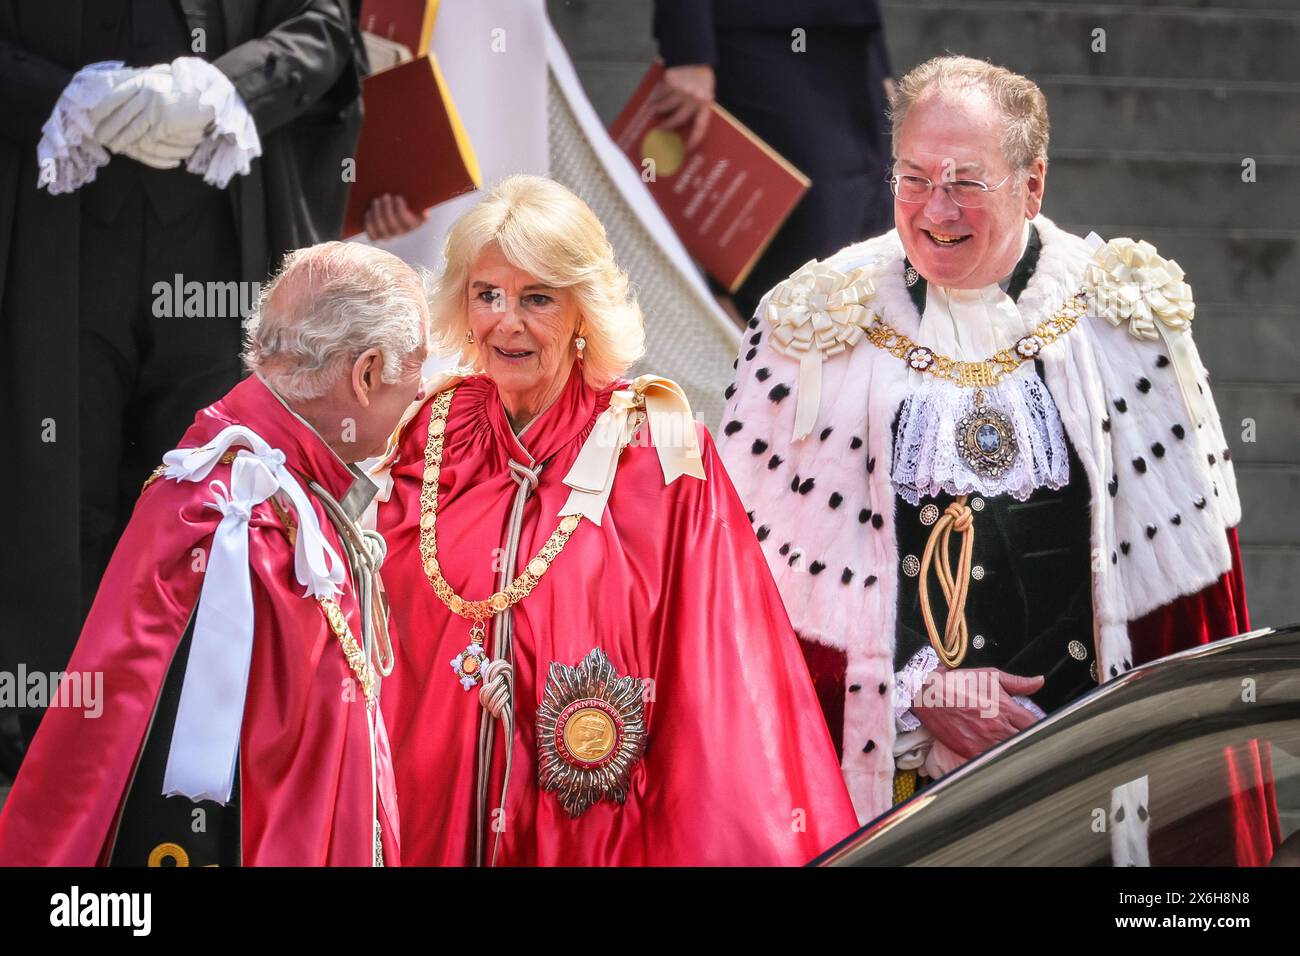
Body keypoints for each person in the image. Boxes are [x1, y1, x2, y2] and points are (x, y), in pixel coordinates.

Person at [718, 55, 1275, 864]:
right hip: (899, 810)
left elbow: (1193, 615)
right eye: (913, 178)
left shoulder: (1128, 318)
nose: (936, 209)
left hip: (1090, 801)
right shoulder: (810, 326)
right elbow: (752, 614)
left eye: (966, 182)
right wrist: (915, 694)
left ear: (1032, 183)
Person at [374, 174, 857, 866]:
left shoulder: (662, 452)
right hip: (430, 822)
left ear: (583, 316)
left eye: (536, 299)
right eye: (488, 295)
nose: (505, 322)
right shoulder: (420, 433)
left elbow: (719, 680)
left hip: (600, 834)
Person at [0, 1, 369, 761]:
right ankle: (53, 771)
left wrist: (229, 88)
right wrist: (59, 97)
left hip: (223, 235)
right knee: (50, 500)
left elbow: (326, 27)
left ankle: (195, 778)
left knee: (215, 507)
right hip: (50, 240)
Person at [0, 242, 429, 866]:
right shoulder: (241, 527)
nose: (416, 406)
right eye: (410, 383)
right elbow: (199, 798)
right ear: (364, 375)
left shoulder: (247, 470)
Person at [651, 0, 895, 320]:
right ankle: (760, 354)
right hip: (756, 33)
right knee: (810, 223)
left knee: (872, 214)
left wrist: (879, 57)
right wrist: (688, 51)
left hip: (848, 34)